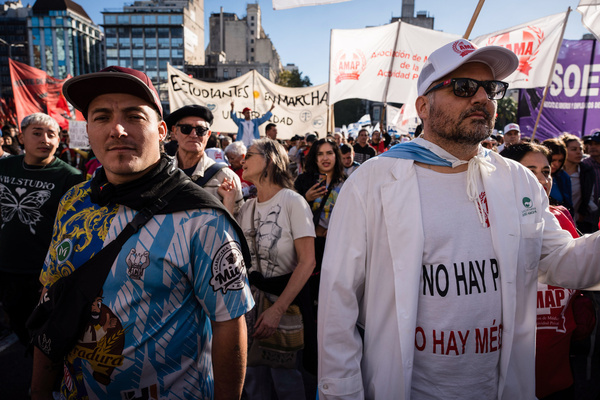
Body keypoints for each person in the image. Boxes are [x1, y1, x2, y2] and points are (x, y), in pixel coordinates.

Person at [317, 38, 600, 400]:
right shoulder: (372, 182)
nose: (481, 98)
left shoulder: (515, 180)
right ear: (423, 105)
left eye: (491, 88)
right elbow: (338, 307)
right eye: (464, 87)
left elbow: (561, 260)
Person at [32, 66, 253, 399]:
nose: (117, 129)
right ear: (88, 130)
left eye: (134, 116)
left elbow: (228, 324)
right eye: (102, 117)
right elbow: (51, 299)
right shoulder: (73, 201)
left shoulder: (201, 218)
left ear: (162, 131)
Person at [235, 138, 316, 399]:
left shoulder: (293, 201)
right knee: (253, 383)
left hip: (286, 307)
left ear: (269, 160)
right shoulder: (246, 207)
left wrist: (277, 311)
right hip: (250, 309)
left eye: (249, 155)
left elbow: (308, 262)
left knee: (287, 383)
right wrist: (227, 200)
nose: (242, 160)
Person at [501, 143, 582, 399]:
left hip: (558, 370)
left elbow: (580, 267)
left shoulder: (561, 217)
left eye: (546, 171)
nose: (540, 180)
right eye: (529, 171)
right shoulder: (489, 223)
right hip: (508, 375)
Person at [0, 113, 84, 347]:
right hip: (5, 268)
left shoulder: (71, 177)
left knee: (46, 332)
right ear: (21, 137)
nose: (45, 139)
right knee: (18, 325)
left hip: (42, 274)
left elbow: (72, 231)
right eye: (37, 133)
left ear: (59, 141)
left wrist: (55, 276)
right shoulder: (4, 167)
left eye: (51, 135)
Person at [294, 138, 346, 314]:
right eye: (320, 154)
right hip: (310, 247)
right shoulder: (303, 181)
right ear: (314, 158)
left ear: (336, 156)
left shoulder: (346, 182)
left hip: (335, 247)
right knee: (310, 296)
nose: (325, 158)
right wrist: (305, 198)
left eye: (329, 153)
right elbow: (291, 213)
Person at [167, 104, 244, 215]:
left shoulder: (226, 178)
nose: (193, 135)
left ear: (208, 134)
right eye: (186, 129)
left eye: (200, 130)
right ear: (175, 132)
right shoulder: (160, 173)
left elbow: (238, 226)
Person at [560, 133, 597, 233]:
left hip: (580, 222)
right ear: (564, 150)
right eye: (573, 149)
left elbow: (589, 197)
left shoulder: (587, 172)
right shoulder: (556, 172)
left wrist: (582, 213)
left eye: (580, 149)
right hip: (560, 220)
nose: (579, 152)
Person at [542, 138, 574, 216]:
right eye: (553, 160)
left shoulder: (563, 176)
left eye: (560, 161)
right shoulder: (535, 176)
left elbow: (568, 203)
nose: (556, 164)